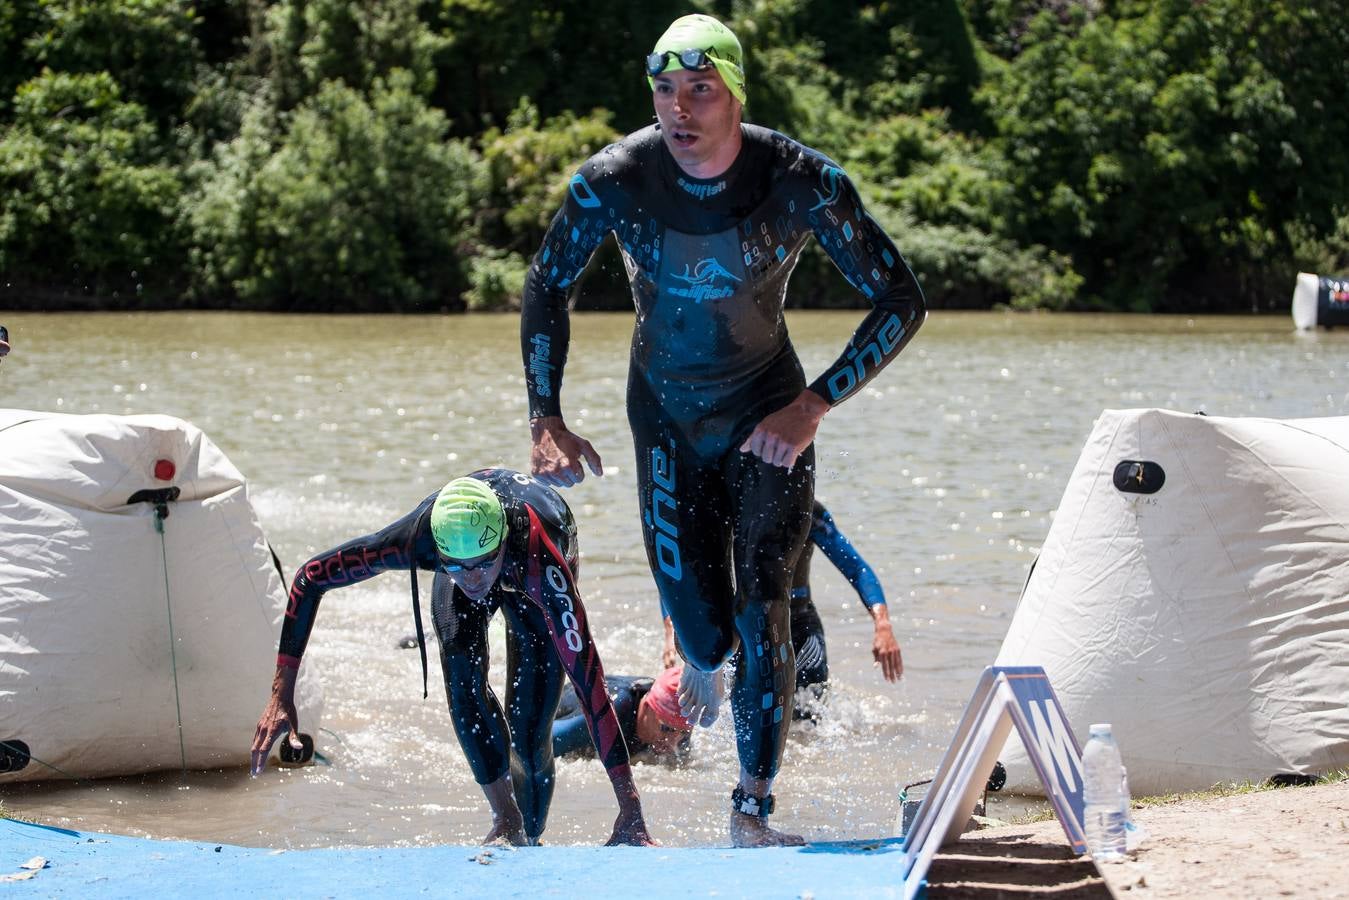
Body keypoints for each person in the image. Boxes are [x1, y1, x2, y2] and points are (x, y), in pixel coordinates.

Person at [521, 14, 925, 847]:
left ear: (736, 94)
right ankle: (698, 668)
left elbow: (900, 299)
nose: (679, 108)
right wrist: (546, 416)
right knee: (702, 635)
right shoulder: (614, 179)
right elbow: (544, 283)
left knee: (764, 606)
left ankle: (751, 808)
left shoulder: (801, 180)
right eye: (664, 89)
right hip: (664, 417)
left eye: (700, 89)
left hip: (765, 411)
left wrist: (812, 406)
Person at [250, 469, 654, 847]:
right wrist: (280, 690)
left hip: (528, 564)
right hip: (474, 543)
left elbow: (590, 686)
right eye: (456, 568)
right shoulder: (417, 539)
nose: (472, 580)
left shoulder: (542, 565)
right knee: (462, 677)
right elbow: (311, 577)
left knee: (530, 736)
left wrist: (630, 807)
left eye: (480, 566)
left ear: (498, 546)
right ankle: (504, 819)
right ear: (437, 553)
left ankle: (531, 837)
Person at [661, 501, 902, 718]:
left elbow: (856, 568)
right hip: (740, 629)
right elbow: (679, 575)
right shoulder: (721, 510)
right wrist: (673, 631)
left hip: (798, 625)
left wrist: (882, 624)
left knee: (809, 717)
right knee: (737, 718)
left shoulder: (805, 510)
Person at [552, 665, 692, 761]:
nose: (673, 742)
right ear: (649, 706)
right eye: (666, 728)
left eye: (684, 732)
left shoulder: (679, 730)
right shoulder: (611, 712)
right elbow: (541, 741)